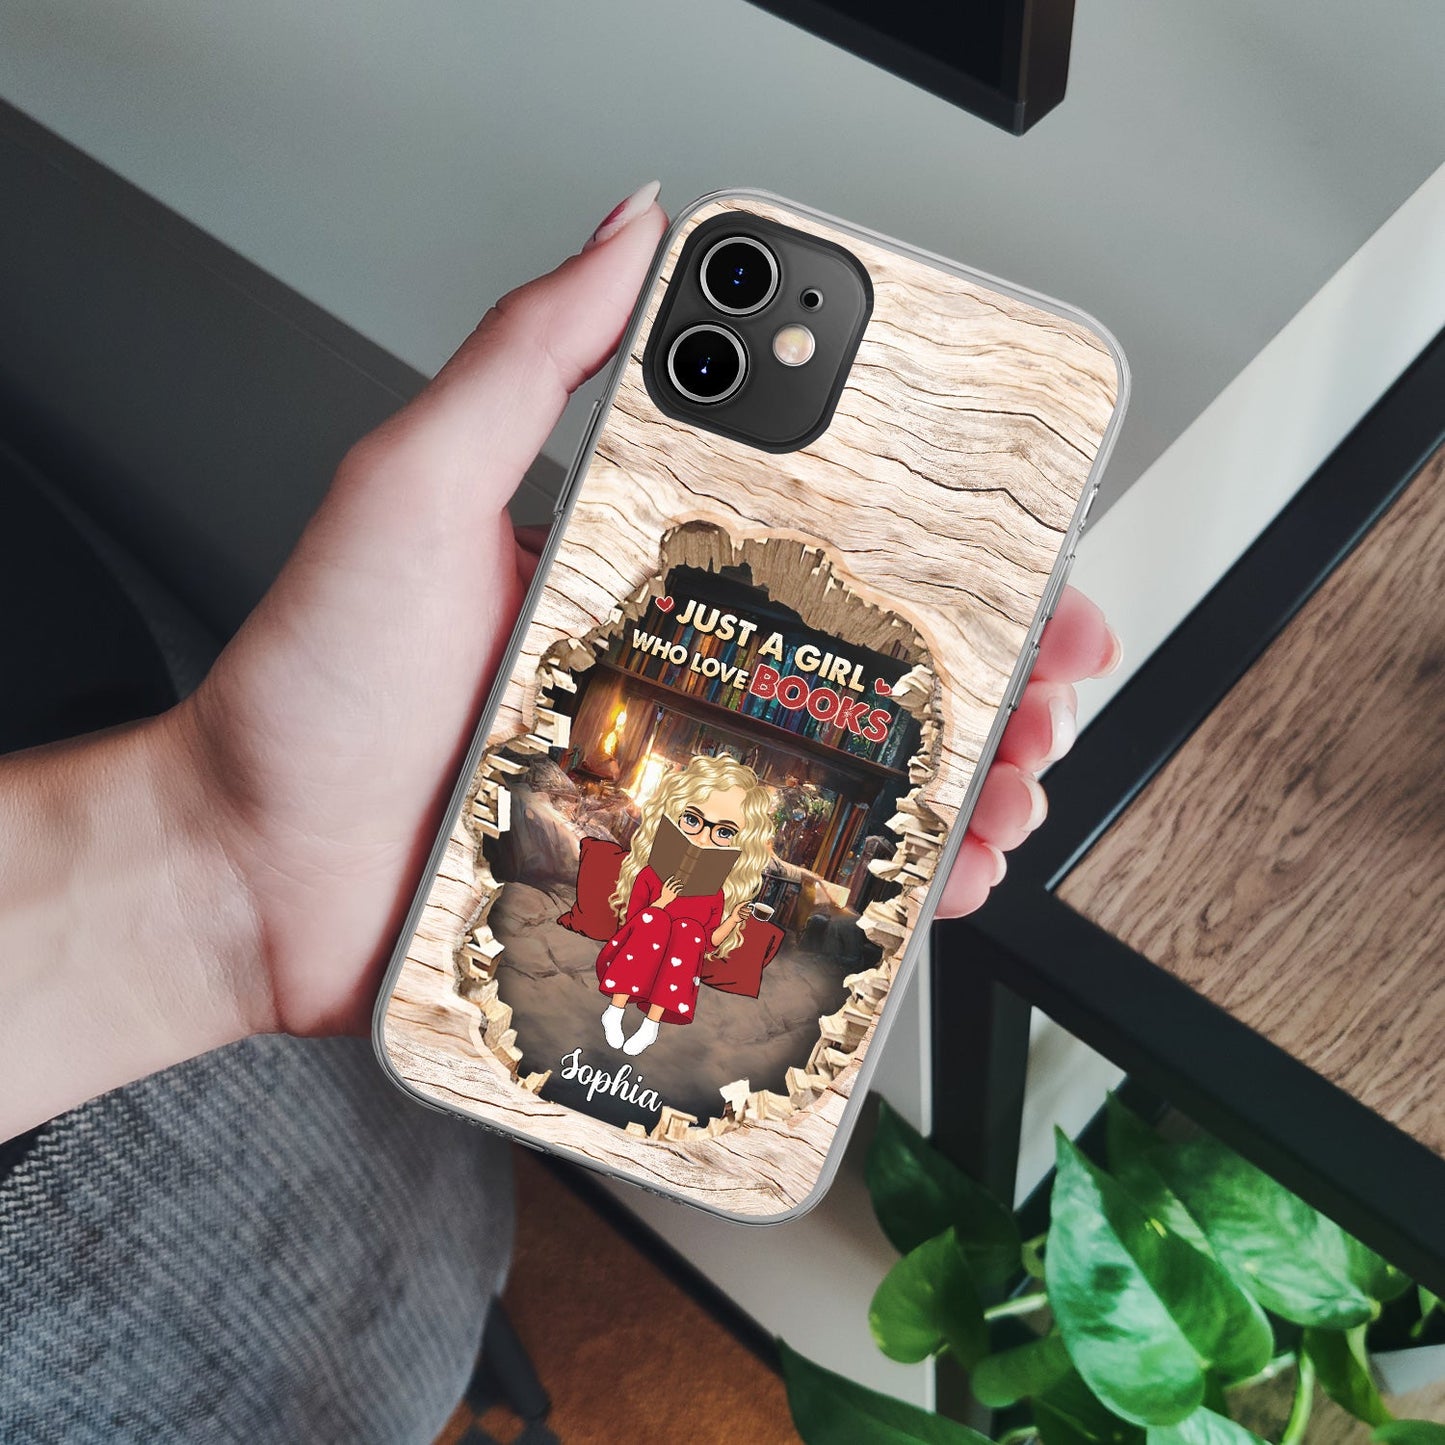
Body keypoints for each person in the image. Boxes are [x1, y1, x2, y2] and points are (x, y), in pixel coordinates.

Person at [0, 182, 1121, 1437]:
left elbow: (708, 888)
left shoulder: (716, 865)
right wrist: (219, 848)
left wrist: (220, 847)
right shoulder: (657, 834)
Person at [598, 753, 774, 1054]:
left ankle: (651, 1025)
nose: (703, 839)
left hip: (672, 968)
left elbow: (707, 944)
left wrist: (733, 919)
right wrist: (662, 902)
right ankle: (615, 1011)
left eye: (723, 832)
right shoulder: (650, 876)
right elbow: (632, 924)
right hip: (635, 953)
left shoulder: (715, 895)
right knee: (656, 920)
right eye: (692, 820)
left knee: (689, 931)